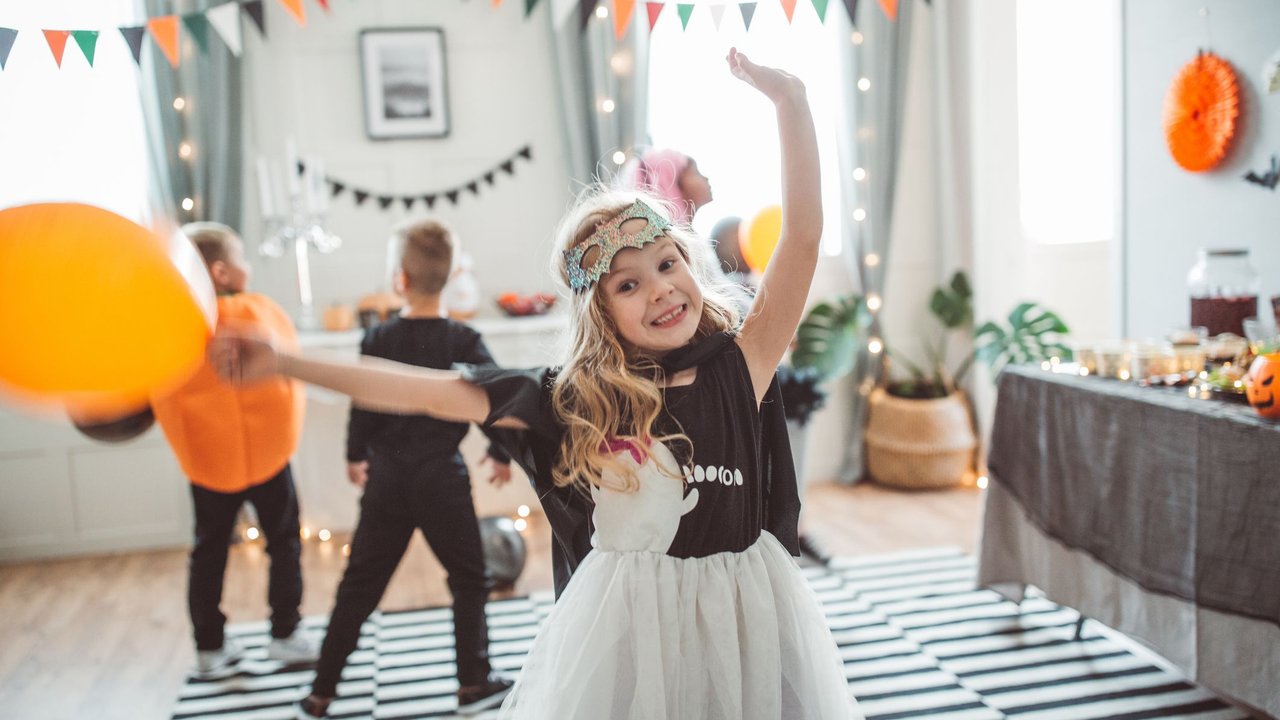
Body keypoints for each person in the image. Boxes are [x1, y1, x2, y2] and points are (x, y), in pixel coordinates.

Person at [212, 49, 860, 719]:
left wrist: (792, 103)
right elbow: (420, 389)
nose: (663, 289)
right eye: (629, 283)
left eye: (669, 263)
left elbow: (803, 238)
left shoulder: (740, 364)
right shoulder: (572, 400)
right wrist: (284, 363)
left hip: (744, 615)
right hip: (628, 629)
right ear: (600, 311)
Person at [295, 219, 516, 718]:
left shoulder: (377, 337)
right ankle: (473, 682)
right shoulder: (464, 338)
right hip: (442, 478)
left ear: (400, 280)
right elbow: (493, 398)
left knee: (360, 584)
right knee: (469, 579)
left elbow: (363, 400)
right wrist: (501, 453)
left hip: (388, 480)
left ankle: (322, 690)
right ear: (455, 274)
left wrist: (356, 455)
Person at [150, 222, 318, 679]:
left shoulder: (174, 323)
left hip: (209, 462)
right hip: (269, 458)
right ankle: (285, 633)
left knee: (208, 551)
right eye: (242, 259)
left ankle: (210, 647)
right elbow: (287, 366)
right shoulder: (257, 312)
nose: (248, 268)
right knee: (283, 544)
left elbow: (162, 390)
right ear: (221, 271)